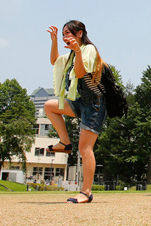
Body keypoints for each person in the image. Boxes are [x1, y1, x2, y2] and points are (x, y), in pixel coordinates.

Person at [44, 20, 107, 204]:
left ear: (80, 33)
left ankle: (86, 192)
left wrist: (78, 51)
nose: (66, 36)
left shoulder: (88, 50)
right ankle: (65, 142)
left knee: (85, 148)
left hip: (95, 104)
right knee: (49, 106)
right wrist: (54, 41)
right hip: (81, 102)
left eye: (68, 33)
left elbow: (80, 73)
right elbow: (55, 61)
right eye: (63, 33)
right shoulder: (71, 55)